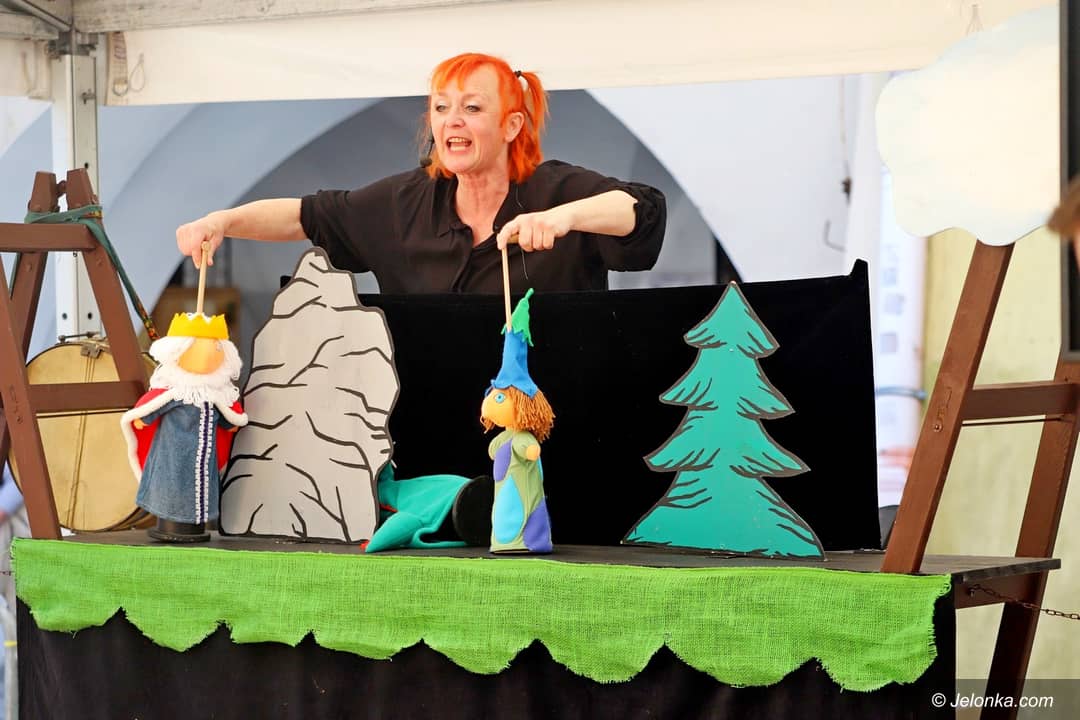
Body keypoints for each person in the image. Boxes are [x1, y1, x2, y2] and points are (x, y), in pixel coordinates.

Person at [175, 52, 666, 293]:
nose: (452, 120)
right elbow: (307, 216)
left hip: (546, 430)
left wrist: (563, 218)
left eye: (472, 108)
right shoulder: (404, 203)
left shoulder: (559, 189)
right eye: (441, 107)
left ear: (512, 124)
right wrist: (222, 221)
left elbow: (641, 209)